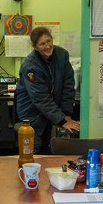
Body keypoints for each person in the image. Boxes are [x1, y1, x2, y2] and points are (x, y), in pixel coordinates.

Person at [15, 26, 79, 154]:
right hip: (31, 113)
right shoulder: (30, 66)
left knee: (50, 148)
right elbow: (40, 98)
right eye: (42, 44)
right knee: (35, 150)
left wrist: (65, 114)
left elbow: (68, 86)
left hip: (51, 111)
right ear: (35, 46)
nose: (47, 46)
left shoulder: (62, 55)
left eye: (49, 41)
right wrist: (61, 120)